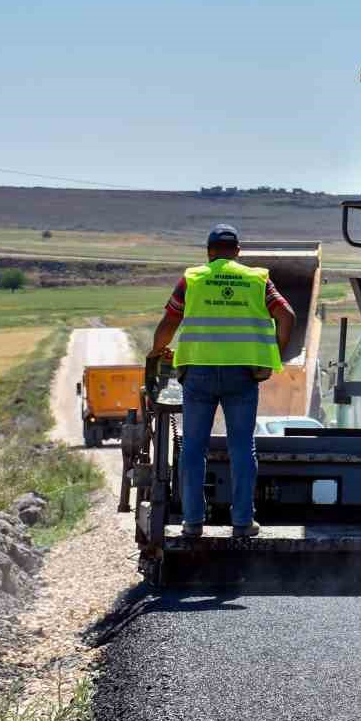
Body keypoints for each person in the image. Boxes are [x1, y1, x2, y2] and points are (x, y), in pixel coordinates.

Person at [150, 224, 296, 538]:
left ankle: (192, 522)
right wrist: (273, 359)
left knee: (192, 448)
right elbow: (287, 316)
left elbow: (170, 321)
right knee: (242, 447)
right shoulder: (257, 279)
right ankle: (243, 522)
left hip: (198, 374)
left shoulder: (192, 279)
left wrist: (157, 350)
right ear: (238, 251)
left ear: (209, 252)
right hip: (242, 375)